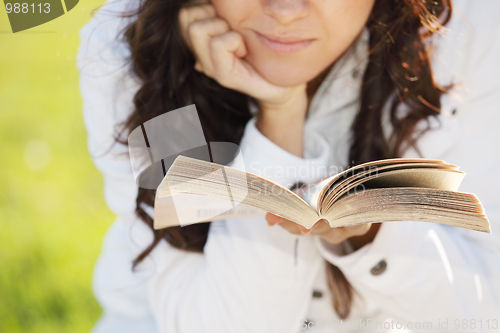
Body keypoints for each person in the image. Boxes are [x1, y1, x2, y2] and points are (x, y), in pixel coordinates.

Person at [77, 0, 500, 332]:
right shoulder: (137, 46)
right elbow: (223, 327)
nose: (285, 10)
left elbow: (485, 310)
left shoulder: (469, 28)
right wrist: (280, 115)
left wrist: (374, 235)